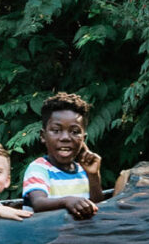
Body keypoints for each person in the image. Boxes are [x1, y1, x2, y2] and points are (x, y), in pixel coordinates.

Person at [22, 91, 104, 220]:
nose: (65, 137)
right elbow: (38, 203)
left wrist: (93, 175)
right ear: (43, 136)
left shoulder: (83, 170)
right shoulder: (38, 168)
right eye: (56, 130)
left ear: (83, 138)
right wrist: (67, 201)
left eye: (75, 132)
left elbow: (98, 208)